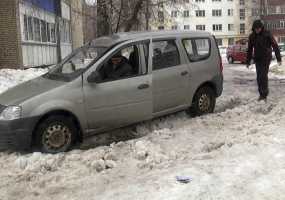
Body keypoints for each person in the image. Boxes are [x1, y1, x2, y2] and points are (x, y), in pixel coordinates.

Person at [246, 20, 282, 101]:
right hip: (258, 59)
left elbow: (275, 46)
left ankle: (264, 94)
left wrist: (278, 58)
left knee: (263, 76)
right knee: (259, 77)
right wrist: (248, 61)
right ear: (254, 28)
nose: (257, 30)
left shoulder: (267, 34)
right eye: (256, 29)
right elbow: (249, 49)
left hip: (266, 58)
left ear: (261, 28)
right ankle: (261, 94)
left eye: (259, 28)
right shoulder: (252, 36)